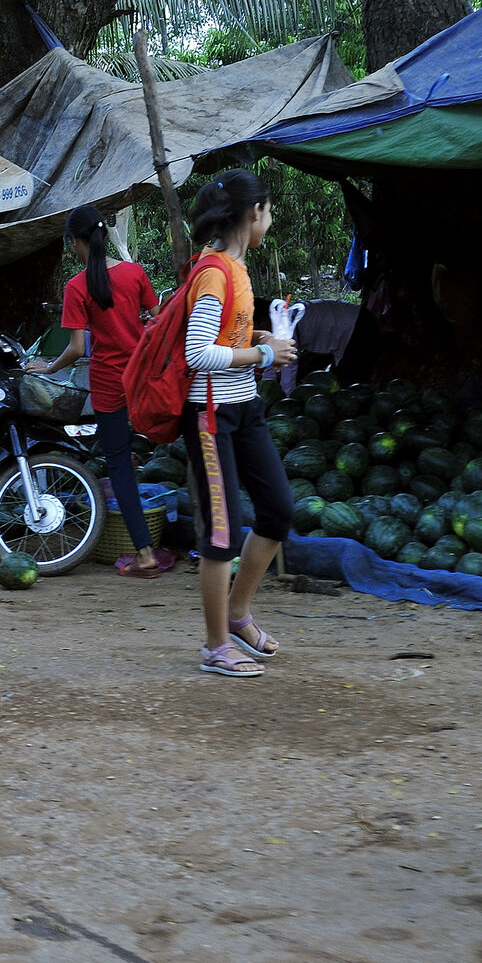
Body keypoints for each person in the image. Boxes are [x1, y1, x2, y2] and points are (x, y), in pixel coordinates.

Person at [177, 169, 298, 678]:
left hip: (244, 408)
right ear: (254, 214)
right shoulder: (213, 273)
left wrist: (264, 347)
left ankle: (238, 613)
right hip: (209, 418)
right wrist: (260, 351)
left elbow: (227, 337)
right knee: (222, 535)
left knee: (276, 512)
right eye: (267, 211)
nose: (268, 220)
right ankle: (214, 645)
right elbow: (197, 352)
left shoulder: (236, 270)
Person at [29, 205, 169, 575]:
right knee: (167, 442)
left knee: (120, 464)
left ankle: (145, 554)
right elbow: (158, 318)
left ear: (77, 241)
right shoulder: (135, 273)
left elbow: (76, 349)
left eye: (71, 243)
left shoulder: (76, 287)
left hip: (108, 385)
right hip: (143, 379)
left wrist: (48, 367)